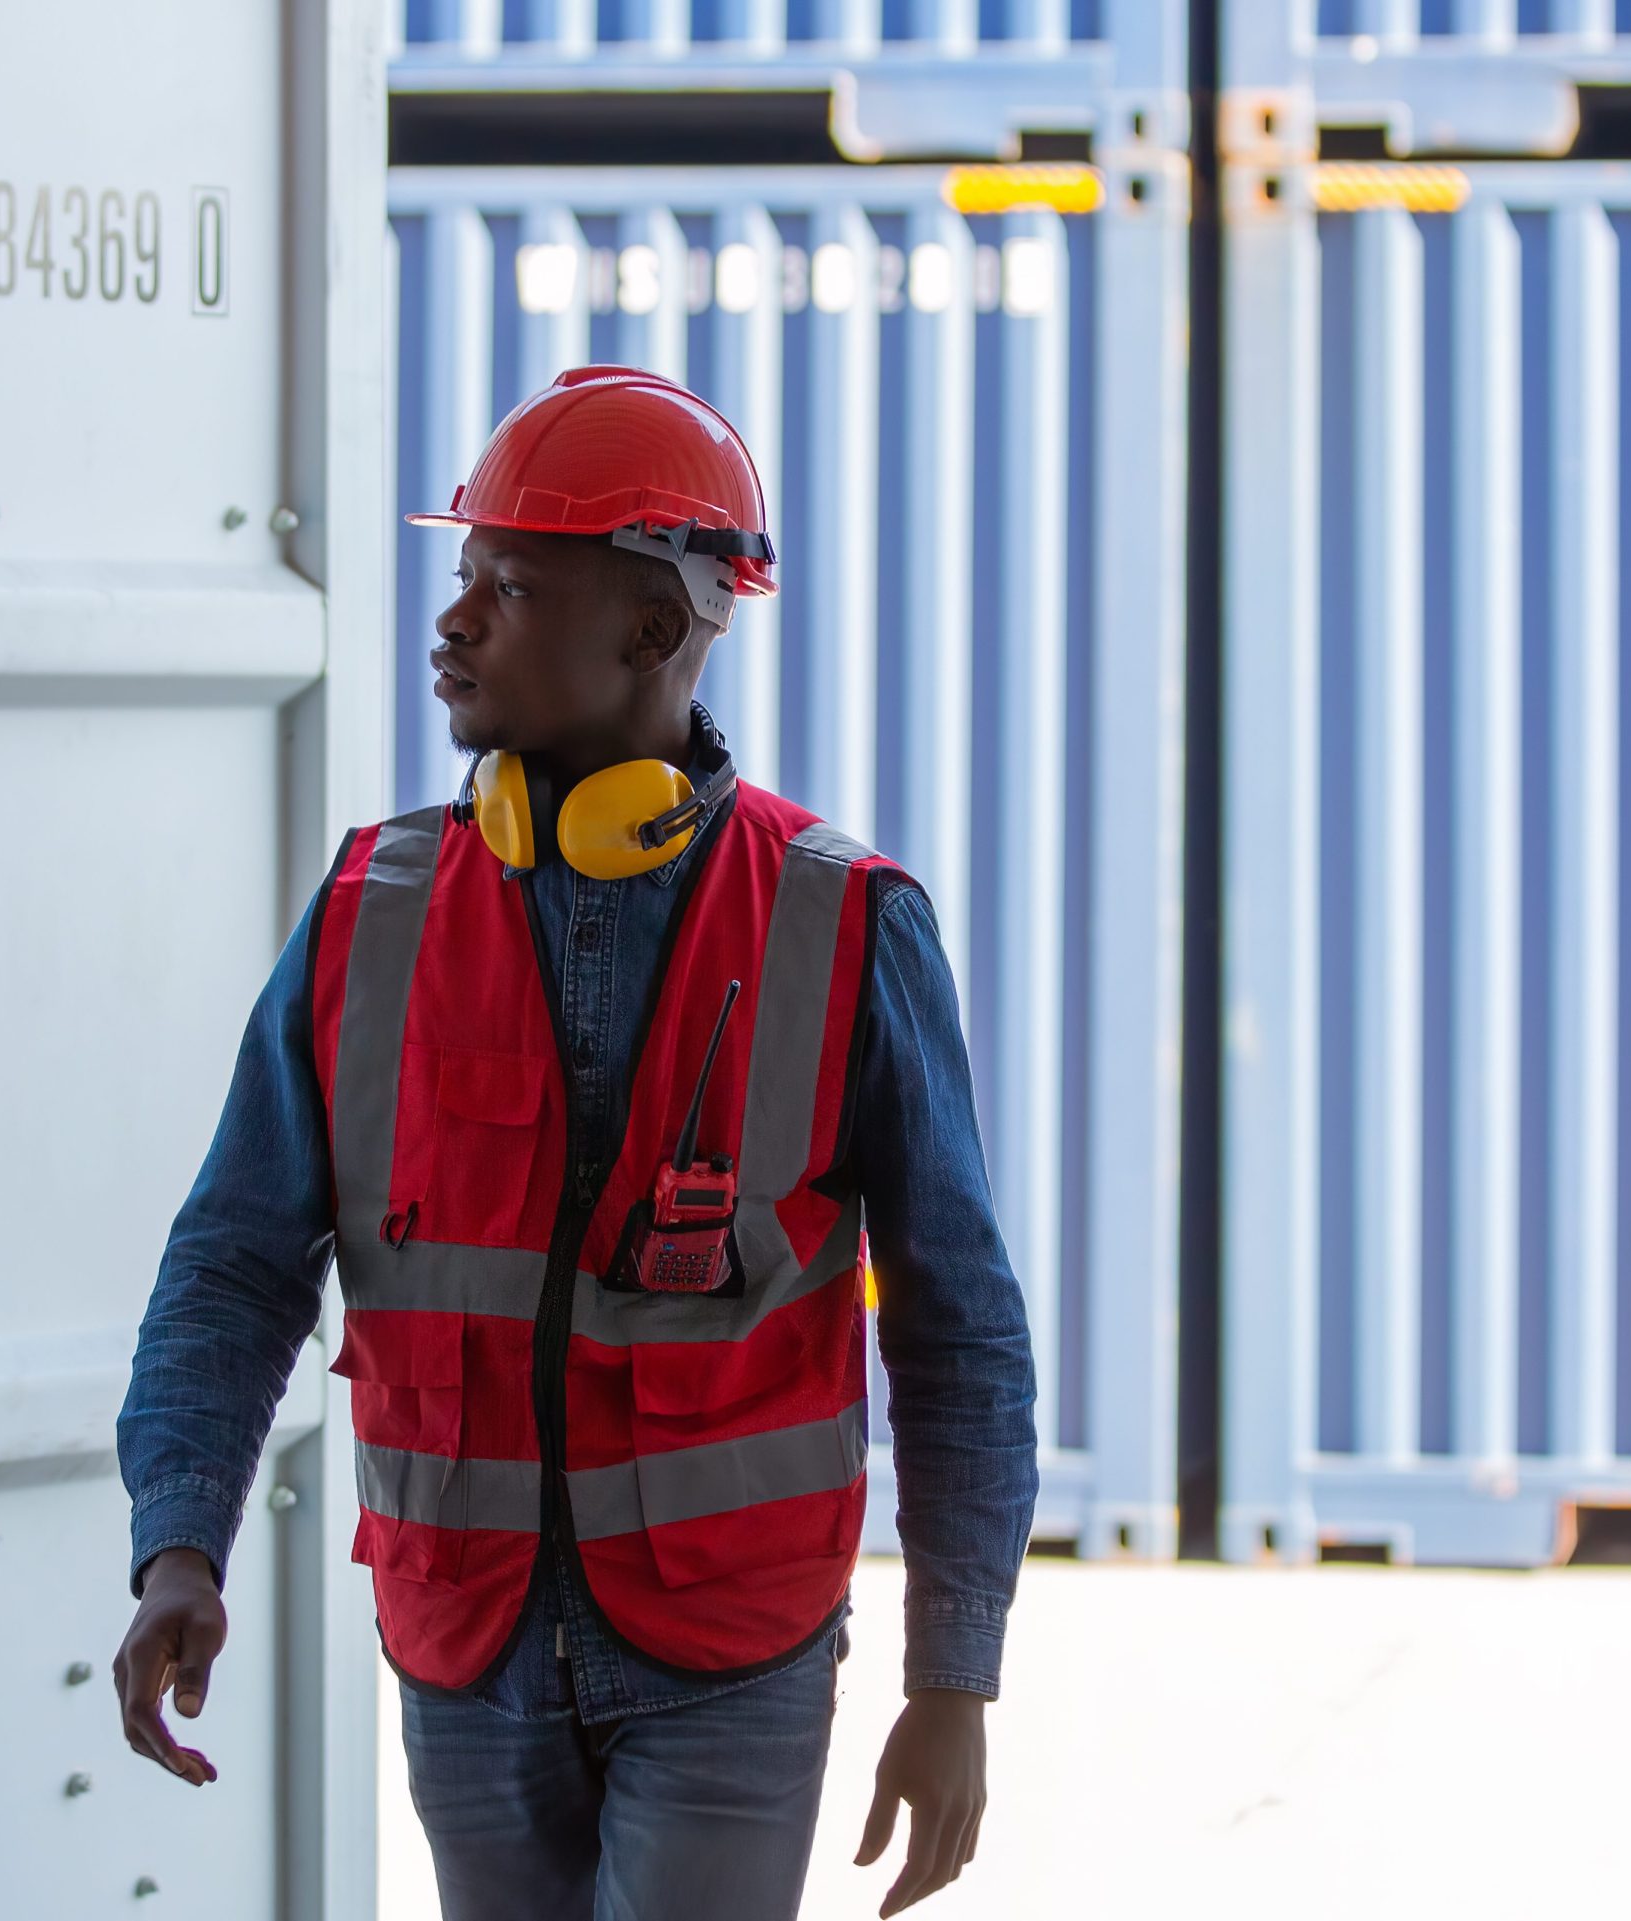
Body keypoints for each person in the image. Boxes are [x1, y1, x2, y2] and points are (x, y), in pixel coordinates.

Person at [114, 366, 1038, 1921]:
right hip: (463, 1651)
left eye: (512, 583)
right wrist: (178, 1542)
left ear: (657, 632)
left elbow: (961, 1330)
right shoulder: (364, 915)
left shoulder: (845, 922)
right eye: (462, 573)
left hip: (726, 1655)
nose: (454, 619)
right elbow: (232, 1262)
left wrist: (956, 1674)